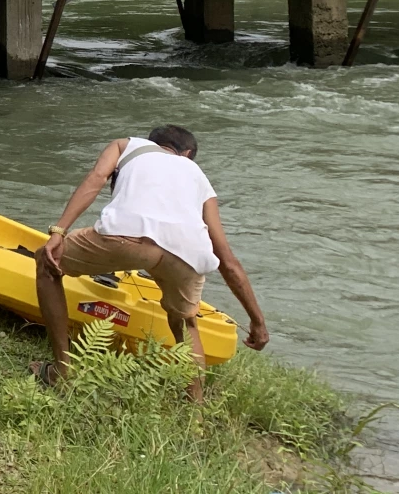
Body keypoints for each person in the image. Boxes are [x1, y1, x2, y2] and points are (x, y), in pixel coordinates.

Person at [35, 124, 270, 393]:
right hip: (189, 256)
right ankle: (196, 411)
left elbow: (97, 178)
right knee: (186, 320)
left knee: (46, 259)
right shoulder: (199, 176)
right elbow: (227, 260)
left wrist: (59, 231)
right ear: (188, 153)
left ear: (153, 142)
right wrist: (257, 322)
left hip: (126, 238)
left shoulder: (125, 145)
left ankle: (61, 373)